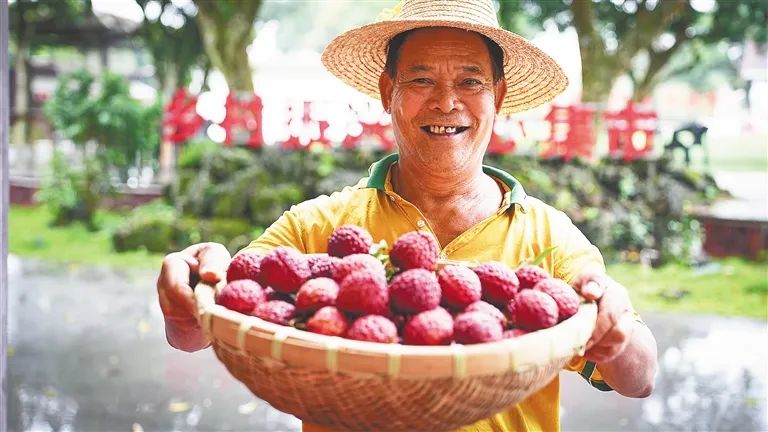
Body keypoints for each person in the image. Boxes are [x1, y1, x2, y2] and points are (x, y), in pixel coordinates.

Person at [156, 0, 658, 430]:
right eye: (421, 79)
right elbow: (196, 330)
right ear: (386, 92)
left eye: (470, 80)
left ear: (498, 97)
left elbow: (638, 379)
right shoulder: (319, 227)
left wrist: (615, 321)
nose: (446, 101)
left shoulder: (549, 238)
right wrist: (188, 293)